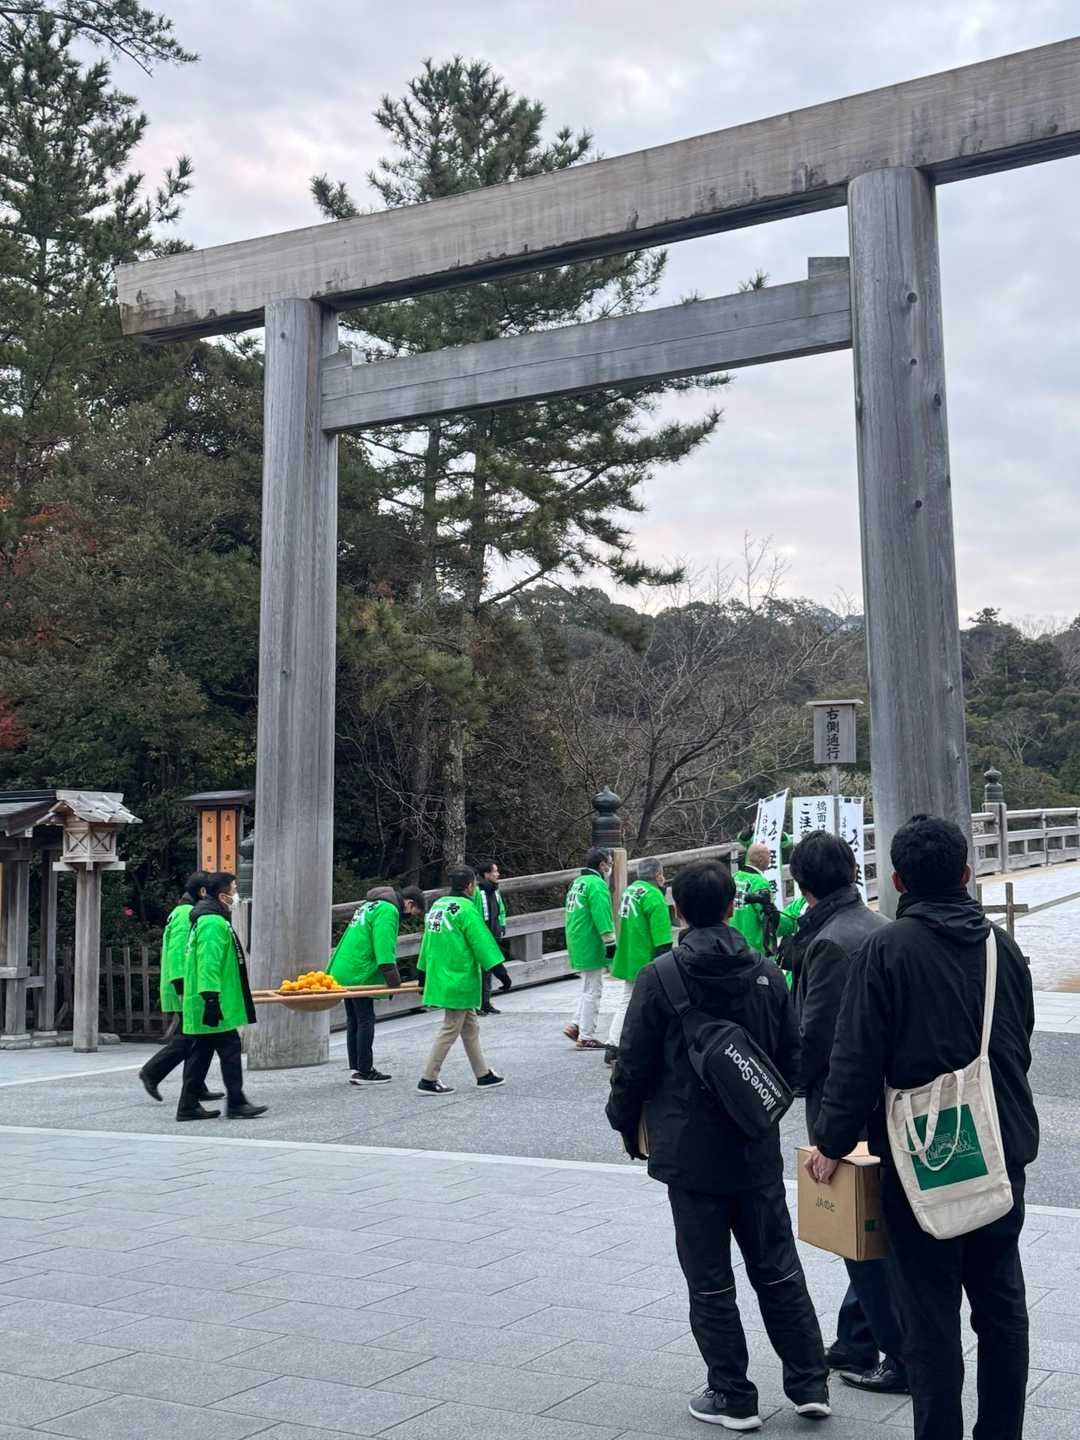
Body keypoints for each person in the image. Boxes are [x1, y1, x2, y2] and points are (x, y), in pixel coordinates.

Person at [807, 815, 1038, 1440]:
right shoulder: (1001, 946)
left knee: (929, 1318)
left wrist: (831, 1143)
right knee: (1001, 1307)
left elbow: (854, 1059)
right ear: (966, 873)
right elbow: (1017, 1041)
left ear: (898, 881)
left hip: (922, 1157)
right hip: (998, 1146)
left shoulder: (886, 951)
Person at [608, 860, 829, 1431]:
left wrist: (624, 1122)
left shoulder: (661, 976)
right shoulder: (767, 972)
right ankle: (809, 1381)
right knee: (777, 1265)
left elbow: (632, 1063)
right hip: (754, 1147)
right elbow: (792, 1058)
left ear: (678, 911)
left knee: (709, 1278)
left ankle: (733, 1395)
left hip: (688, 1152)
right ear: (734, 906)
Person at [788, 830, 907, 1396]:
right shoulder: (877, 924)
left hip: (846, 1105)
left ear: (801, 884)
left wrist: (787, 1081)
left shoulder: (831, 942)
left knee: (861, 1231)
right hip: (881, 1098)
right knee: (868, 1226)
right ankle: (857, 1338)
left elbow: (822, 1039)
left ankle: (900, 1353)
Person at [176, 871, 267, 1122]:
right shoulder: (213, 923)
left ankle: (188, 1105)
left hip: (205, 999)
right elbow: (209, 962)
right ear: (221, 895)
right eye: (234, 890)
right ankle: (236, 1102)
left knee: (201, 1052)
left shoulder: (207, 919)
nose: (236, 895)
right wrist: (211, 999)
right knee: (229, 1048)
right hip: (211, 1000)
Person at [416, 866, 506, 1095]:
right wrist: (500, 971)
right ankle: (428, 1078)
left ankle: (483, 1073)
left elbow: (427, 942)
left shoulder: (438, 906)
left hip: (441, 972)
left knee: (470, 1026)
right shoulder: (466, 909)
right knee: (450, 1027)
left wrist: (422, 972)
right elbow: (481, 942)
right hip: (459, 976)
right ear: (470, 886)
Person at [327, 884, 425, 1085]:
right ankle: (365, 1070)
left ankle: (356, 1066)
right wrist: (393, 981)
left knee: (354, 1019)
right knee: (365, 1019)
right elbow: (383, 945)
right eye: (414, 912)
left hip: (344, 967)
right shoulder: (388, 910)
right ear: (409, 903)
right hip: (359, 971)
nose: (410, 917)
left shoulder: (369, 905)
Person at [139, 871, 223, 1104]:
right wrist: (182, 987)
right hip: (184, 986)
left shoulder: (182, 911)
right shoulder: (186, 913)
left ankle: (196, 1086)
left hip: (185, 984)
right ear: (203, 892)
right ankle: (152, 1072)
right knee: (190, 1038)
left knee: (200, 1038)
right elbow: (178, 953)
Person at [606, 857, 673, 1065]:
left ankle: (613, 1044)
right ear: (658, 875)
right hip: (646, 956)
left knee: (627, 1000)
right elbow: (663, 938)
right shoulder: (654, 897)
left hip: (629, 952)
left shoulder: (631, 890)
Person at [562, 847, 616, 1051]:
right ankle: (586, 1035)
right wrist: (609, 940)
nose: (610, 867)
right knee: (594, 989)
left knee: (587, 986)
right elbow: (602, 914)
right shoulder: (597, 884)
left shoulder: (578, 882)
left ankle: (576, 1024)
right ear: (602, 865)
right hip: (590, 940)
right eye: (609, 863)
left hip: (577, 938)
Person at [473, 859, 513, 1016]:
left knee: (489, 968)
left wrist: (502, 924)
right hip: (481, 935)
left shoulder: (495, 891)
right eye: (495, 871)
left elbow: (501, 909)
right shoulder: (476, 892)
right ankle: (476, 1004)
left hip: (493, 932)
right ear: (486, 874)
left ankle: (486, 1002)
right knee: (479, 970)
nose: (498, 874)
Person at [730, 842, 783, 957]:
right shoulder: (760, 883)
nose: (770, 860)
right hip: (752, 945)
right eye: (769, 856)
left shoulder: (735, 877)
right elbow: (766, 916)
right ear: (760, 859)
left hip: (732, 941)